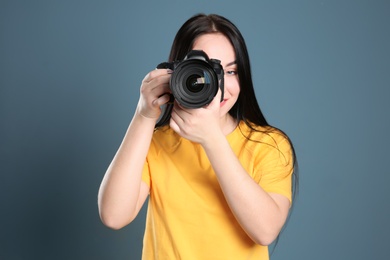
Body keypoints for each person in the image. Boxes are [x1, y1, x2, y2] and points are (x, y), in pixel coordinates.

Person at [98, 13, 298, 260]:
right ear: (179, 72)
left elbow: (266, 230)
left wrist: (212, 139)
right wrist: (144, 115)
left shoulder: (269, 145)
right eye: (208, 71)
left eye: (231, 71)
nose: (220, 85)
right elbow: (113, 216)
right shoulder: (156, 142)